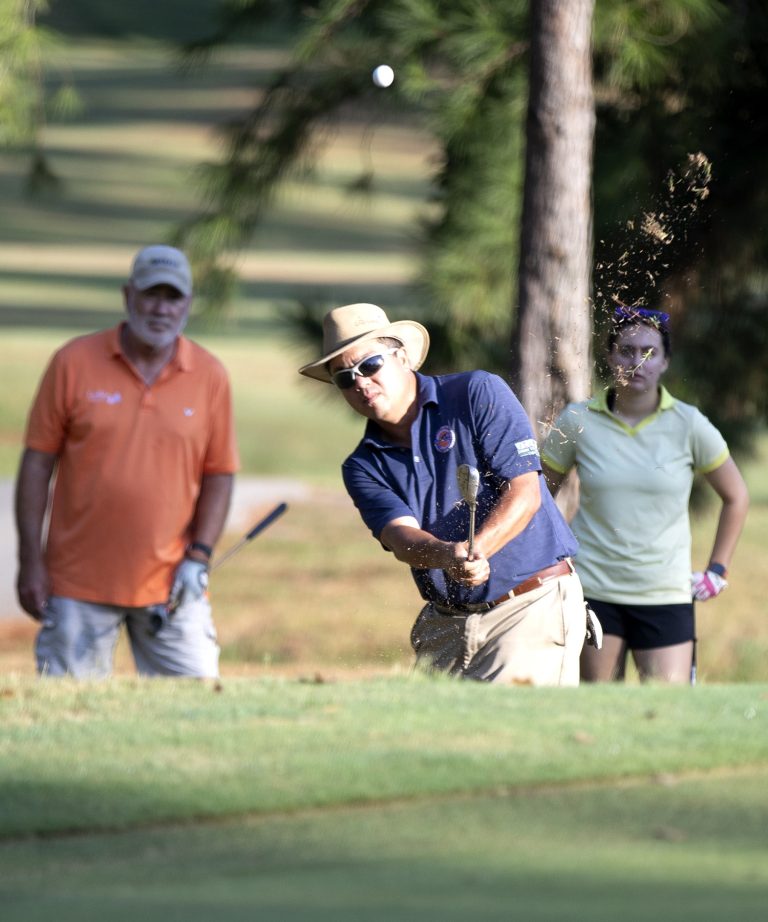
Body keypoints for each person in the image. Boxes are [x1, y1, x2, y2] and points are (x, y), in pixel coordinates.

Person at [298, 303, 587, 686]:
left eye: (369, 365)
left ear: (401, 356)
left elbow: (525, 491)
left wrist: (478, 549)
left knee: (506, 736)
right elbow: (402, 539)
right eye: (344, 378)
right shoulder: (362, 465)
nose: (360, 383)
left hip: (528, 606)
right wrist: (449, 556)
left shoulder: (475, 393)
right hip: (446, 624)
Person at [15, 244, 239, 678]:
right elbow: (37, 465)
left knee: (198, 708)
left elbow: (219, 473)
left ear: (187, 303)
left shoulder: (209, 374)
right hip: (76, 582)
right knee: (69, 713)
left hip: (171, 583)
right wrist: (30, 561)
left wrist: (200, 556)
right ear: (128, 295)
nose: (160, 308)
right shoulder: (73, 362)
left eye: (172, 297)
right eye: (150, 294)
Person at [541, 305, 749, 684]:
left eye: (650, 352)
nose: (638, 362)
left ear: (666, 361)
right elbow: (536, 497)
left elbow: (736, 496)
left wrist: (717, 569)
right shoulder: (578, 420)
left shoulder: (689, 424)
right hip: (593, 589)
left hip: (665, 594)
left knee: (669, 712)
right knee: (598, 711)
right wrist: (546, 559)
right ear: (610, 356)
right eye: (627, 350)